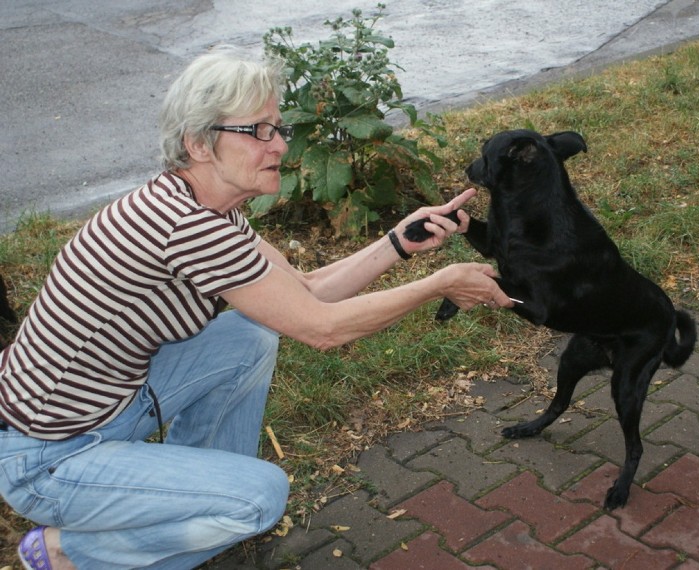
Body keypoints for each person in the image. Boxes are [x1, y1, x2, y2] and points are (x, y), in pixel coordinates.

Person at [0, 46, 512, 569]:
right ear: (198, 143)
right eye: (260, 131)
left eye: (279, 127)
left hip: (111, 405)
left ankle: (195, 489)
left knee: (250, 335)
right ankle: (69, 553)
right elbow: (323, 329)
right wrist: (438, 283)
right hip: (48, 458)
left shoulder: (205, 210)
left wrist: (398, 243)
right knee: (260, 500)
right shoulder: (186, 226)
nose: (281, 145)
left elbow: (306, 291)